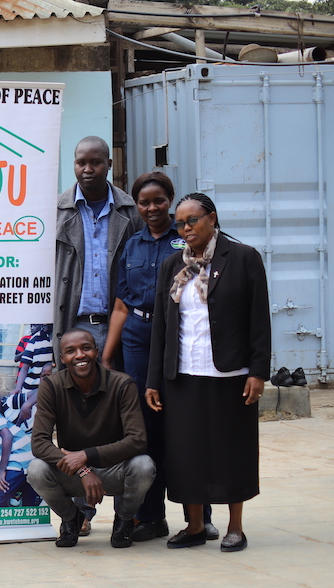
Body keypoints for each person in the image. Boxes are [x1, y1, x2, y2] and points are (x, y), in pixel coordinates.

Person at [146, 193, 270, 553]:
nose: (185, 229)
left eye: (192, 221)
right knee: (187, 454)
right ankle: (196, 525)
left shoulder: (243, 258)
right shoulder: (173, 266)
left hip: (232, 374)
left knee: (232, 451)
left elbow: (258, 319)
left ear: (212, 218)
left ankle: (235, 527)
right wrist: (155, 379)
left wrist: (258, 371)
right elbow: (162, 329)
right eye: (180, 223)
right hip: (183, 375)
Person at [99, 173, 217, 543]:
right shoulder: (131, 246)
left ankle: (200, 517)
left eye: (159, 201)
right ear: (136, 205)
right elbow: (120, 305)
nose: (151, 208)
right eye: (144, 202)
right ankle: (151, 518)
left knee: (185, 429)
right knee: (145, 431)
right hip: (136, 339)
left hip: (178, 338)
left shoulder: (188, 242)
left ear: (170, 200)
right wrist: (107, 357)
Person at [55, 136, 143, 535]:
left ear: (109, 164)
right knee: (73, 416)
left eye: (94, 162)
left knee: (122, 411)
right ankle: (81, 514)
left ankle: (132, 511)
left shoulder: (129, 210)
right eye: (79, 163)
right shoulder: (56, 209)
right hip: (73, 324)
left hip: (118, 324)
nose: (86, 169)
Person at [28, 328, 155, 548]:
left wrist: (86, 456)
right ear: (62, 358)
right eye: (70, 351)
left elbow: (137, 439)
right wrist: (83, 469)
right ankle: (71, 519)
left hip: (115, 470)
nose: (79, 355)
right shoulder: (51, 386)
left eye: (85, 348)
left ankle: (124, 521)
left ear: (96, 351)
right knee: (36, 470)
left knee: (144, 465)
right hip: (73, 473)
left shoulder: (122, 384)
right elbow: (39, 442)